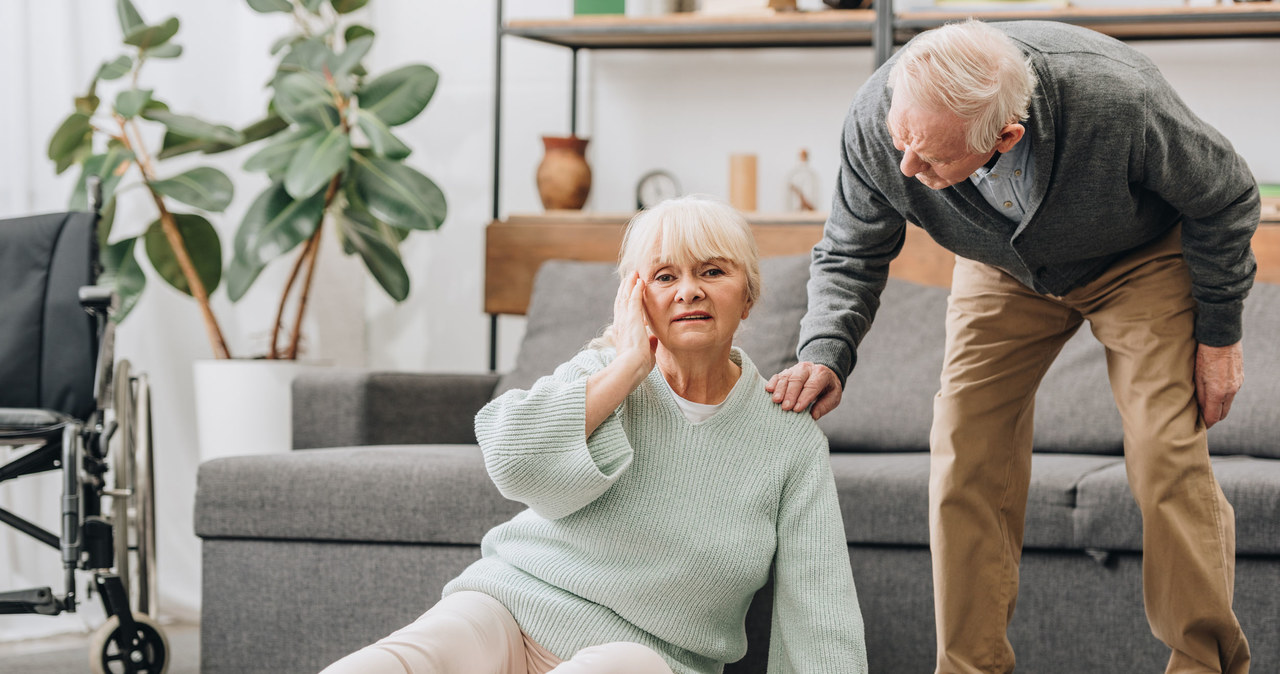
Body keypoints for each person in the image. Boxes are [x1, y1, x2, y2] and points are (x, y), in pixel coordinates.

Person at [766, 19, 1256, 674]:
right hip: (1002, 264)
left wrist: (1220, 335)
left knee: (1165, 452)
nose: (907, 168)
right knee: (964, 443)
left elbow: (1226, 195)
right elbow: (850, 248)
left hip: (1137, 258)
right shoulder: (881, 120)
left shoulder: (1117, 100)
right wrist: (824, 349)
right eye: (901, 143)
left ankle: (1204, 665)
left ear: (1005, 136)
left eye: (932, 159)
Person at [321, 195, 867, 674]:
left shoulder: (786, 438)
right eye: (665, 276)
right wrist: (627, 366)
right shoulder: (601, 375)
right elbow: (509, 460)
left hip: (647, 658)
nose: (688, 292)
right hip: (509, 610)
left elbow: (819, 611)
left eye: (713, 272)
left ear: (747, 297)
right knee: (400, 660)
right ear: (636, 299)